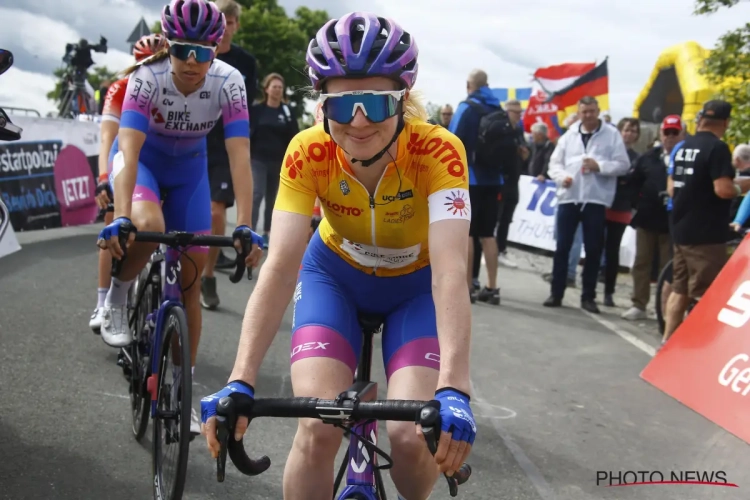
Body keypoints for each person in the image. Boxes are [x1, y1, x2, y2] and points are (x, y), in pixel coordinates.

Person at [200, 12, 476, 500]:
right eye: (342, 104)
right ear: (322, 103)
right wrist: (240, 378)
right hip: (334, 278)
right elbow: (281, 264)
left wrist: (454, 386)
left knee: (413, 437)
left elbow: (452, 269)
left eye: (375, 101)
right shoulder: (307, 151)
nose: (359, 120)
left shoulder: (439, 152)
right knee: (317, 428)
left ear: (404, 99)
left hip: (415, 289)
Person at [96, 0, 263, 434]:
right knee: (148, 227)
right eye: (182, 50)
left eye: (203, 52)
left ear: (216, 50)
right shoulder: (145, 79)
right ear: (168, 46)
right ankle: (117, 294)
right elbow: (129, 149)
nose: (192, 62)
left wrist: (244, 222)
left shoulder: (230, 82)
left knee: (189, 278)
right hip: (144, 163)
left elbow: (239, 155)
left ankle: (182, 387)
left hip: (190, 172)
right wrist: (122, 214)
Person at [89, 33, 167, 333]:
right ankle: (102, 301)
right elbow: (108, 136)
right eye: (145, 62)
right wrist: (104, 179)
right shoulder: (123, 87)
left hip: (160, 161)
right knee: (114, 218)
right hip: (126, 156)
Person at [664, 100, 750, 342]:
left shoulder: (682, 147)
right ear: (726, 122)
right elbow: (722, 190)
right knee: (706, 293)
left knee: (679, 289)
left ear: (701, 118)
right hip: (706, 234)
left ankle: (667, 342)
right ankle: (699, 345)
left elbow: (672, 189)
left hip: (681, 229)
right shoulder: (718, 148)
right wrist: (741, 185)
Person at [544, 96, 630, 313]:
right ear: (579, 112)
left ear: (598, 111)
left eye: (592, 111)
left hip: (595, 199)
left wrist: (599, 166)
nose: (588, 115)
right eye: (584, 111)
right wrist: (561, 177)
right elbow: (554, 164)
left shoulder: (611, 135)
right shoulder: (569, 135)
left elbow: (623, 164)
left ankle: (588, 296)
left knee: (593, 249)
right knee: (562, 246)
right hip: (569, 196)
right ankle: (556, 292)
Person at [200, 0, 258, 311]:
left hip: (226, 142)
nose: (226, 26)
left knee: (215, 212)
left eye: (231, 21)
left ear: (235, 25)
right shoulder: (197, 53)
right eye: (220, 20)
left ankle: (208, 274)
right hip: (194, 137)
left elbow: (246, 107)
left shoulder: (245, 63)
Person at [621, 115, 683, 321]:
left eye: (675, 133)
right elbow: (632, 183)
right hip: (647, 219)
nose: (671, 137)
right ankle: (639, 303)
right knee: (641, 262)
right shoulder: (648, 158)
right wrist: (636, 205)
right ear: (661, 133)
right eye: (668, 132)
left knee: (668, 267)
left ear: (681, 133)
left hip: (673, 223)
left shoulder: (686, 158)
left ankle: (664, 308)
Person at [450, 69, 503, 305]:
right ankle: (492, 287)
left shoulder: (467, 107)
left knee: (468, 234)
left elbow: (451, 142)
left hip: (470, 179)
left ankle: (467, 286)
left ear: (468, 84)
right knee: (489, 235)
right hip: (495, 180)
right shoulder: (498, 109)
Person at [250, 72, 300, 248]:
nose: (277, 90)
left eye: (280, 87)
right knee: (256, 194)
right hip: (257, 159)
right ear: (267, 89)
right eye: (274, 87)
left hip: (279, 161)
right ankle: (249, 232)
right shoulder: (257, 110)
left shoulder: (286, 112)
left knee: (273, 198)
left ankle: (267, 233)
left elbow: (295, 136)